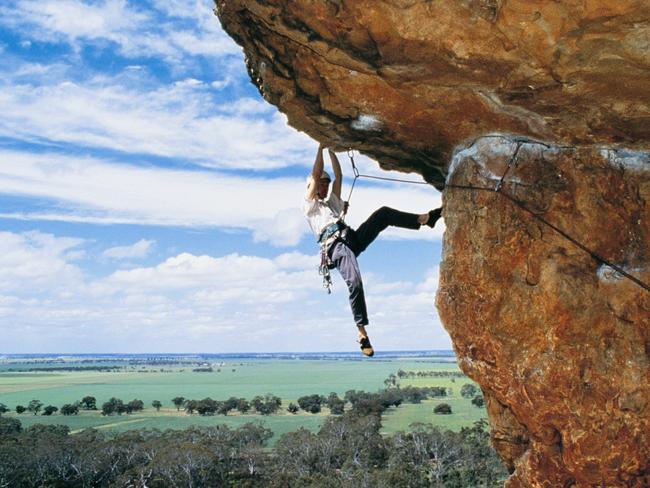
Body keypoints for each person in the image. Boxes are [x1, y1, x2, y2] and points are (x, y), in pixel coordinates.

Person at [303, 144, 443, 356]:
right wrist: (321, 146)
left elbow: (339, 175)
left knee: (383, 214)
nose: (326, 186)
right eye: (322, 183)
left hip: (351, 239)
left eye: (326, 183)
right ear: (313, 186)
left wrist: (332, 149)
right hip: (337, 247)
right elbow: (315, 174)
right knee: (355, 281)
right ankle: (362, 332)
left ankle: (425, 219)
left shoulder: (331, 204)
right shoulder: (309, 206)